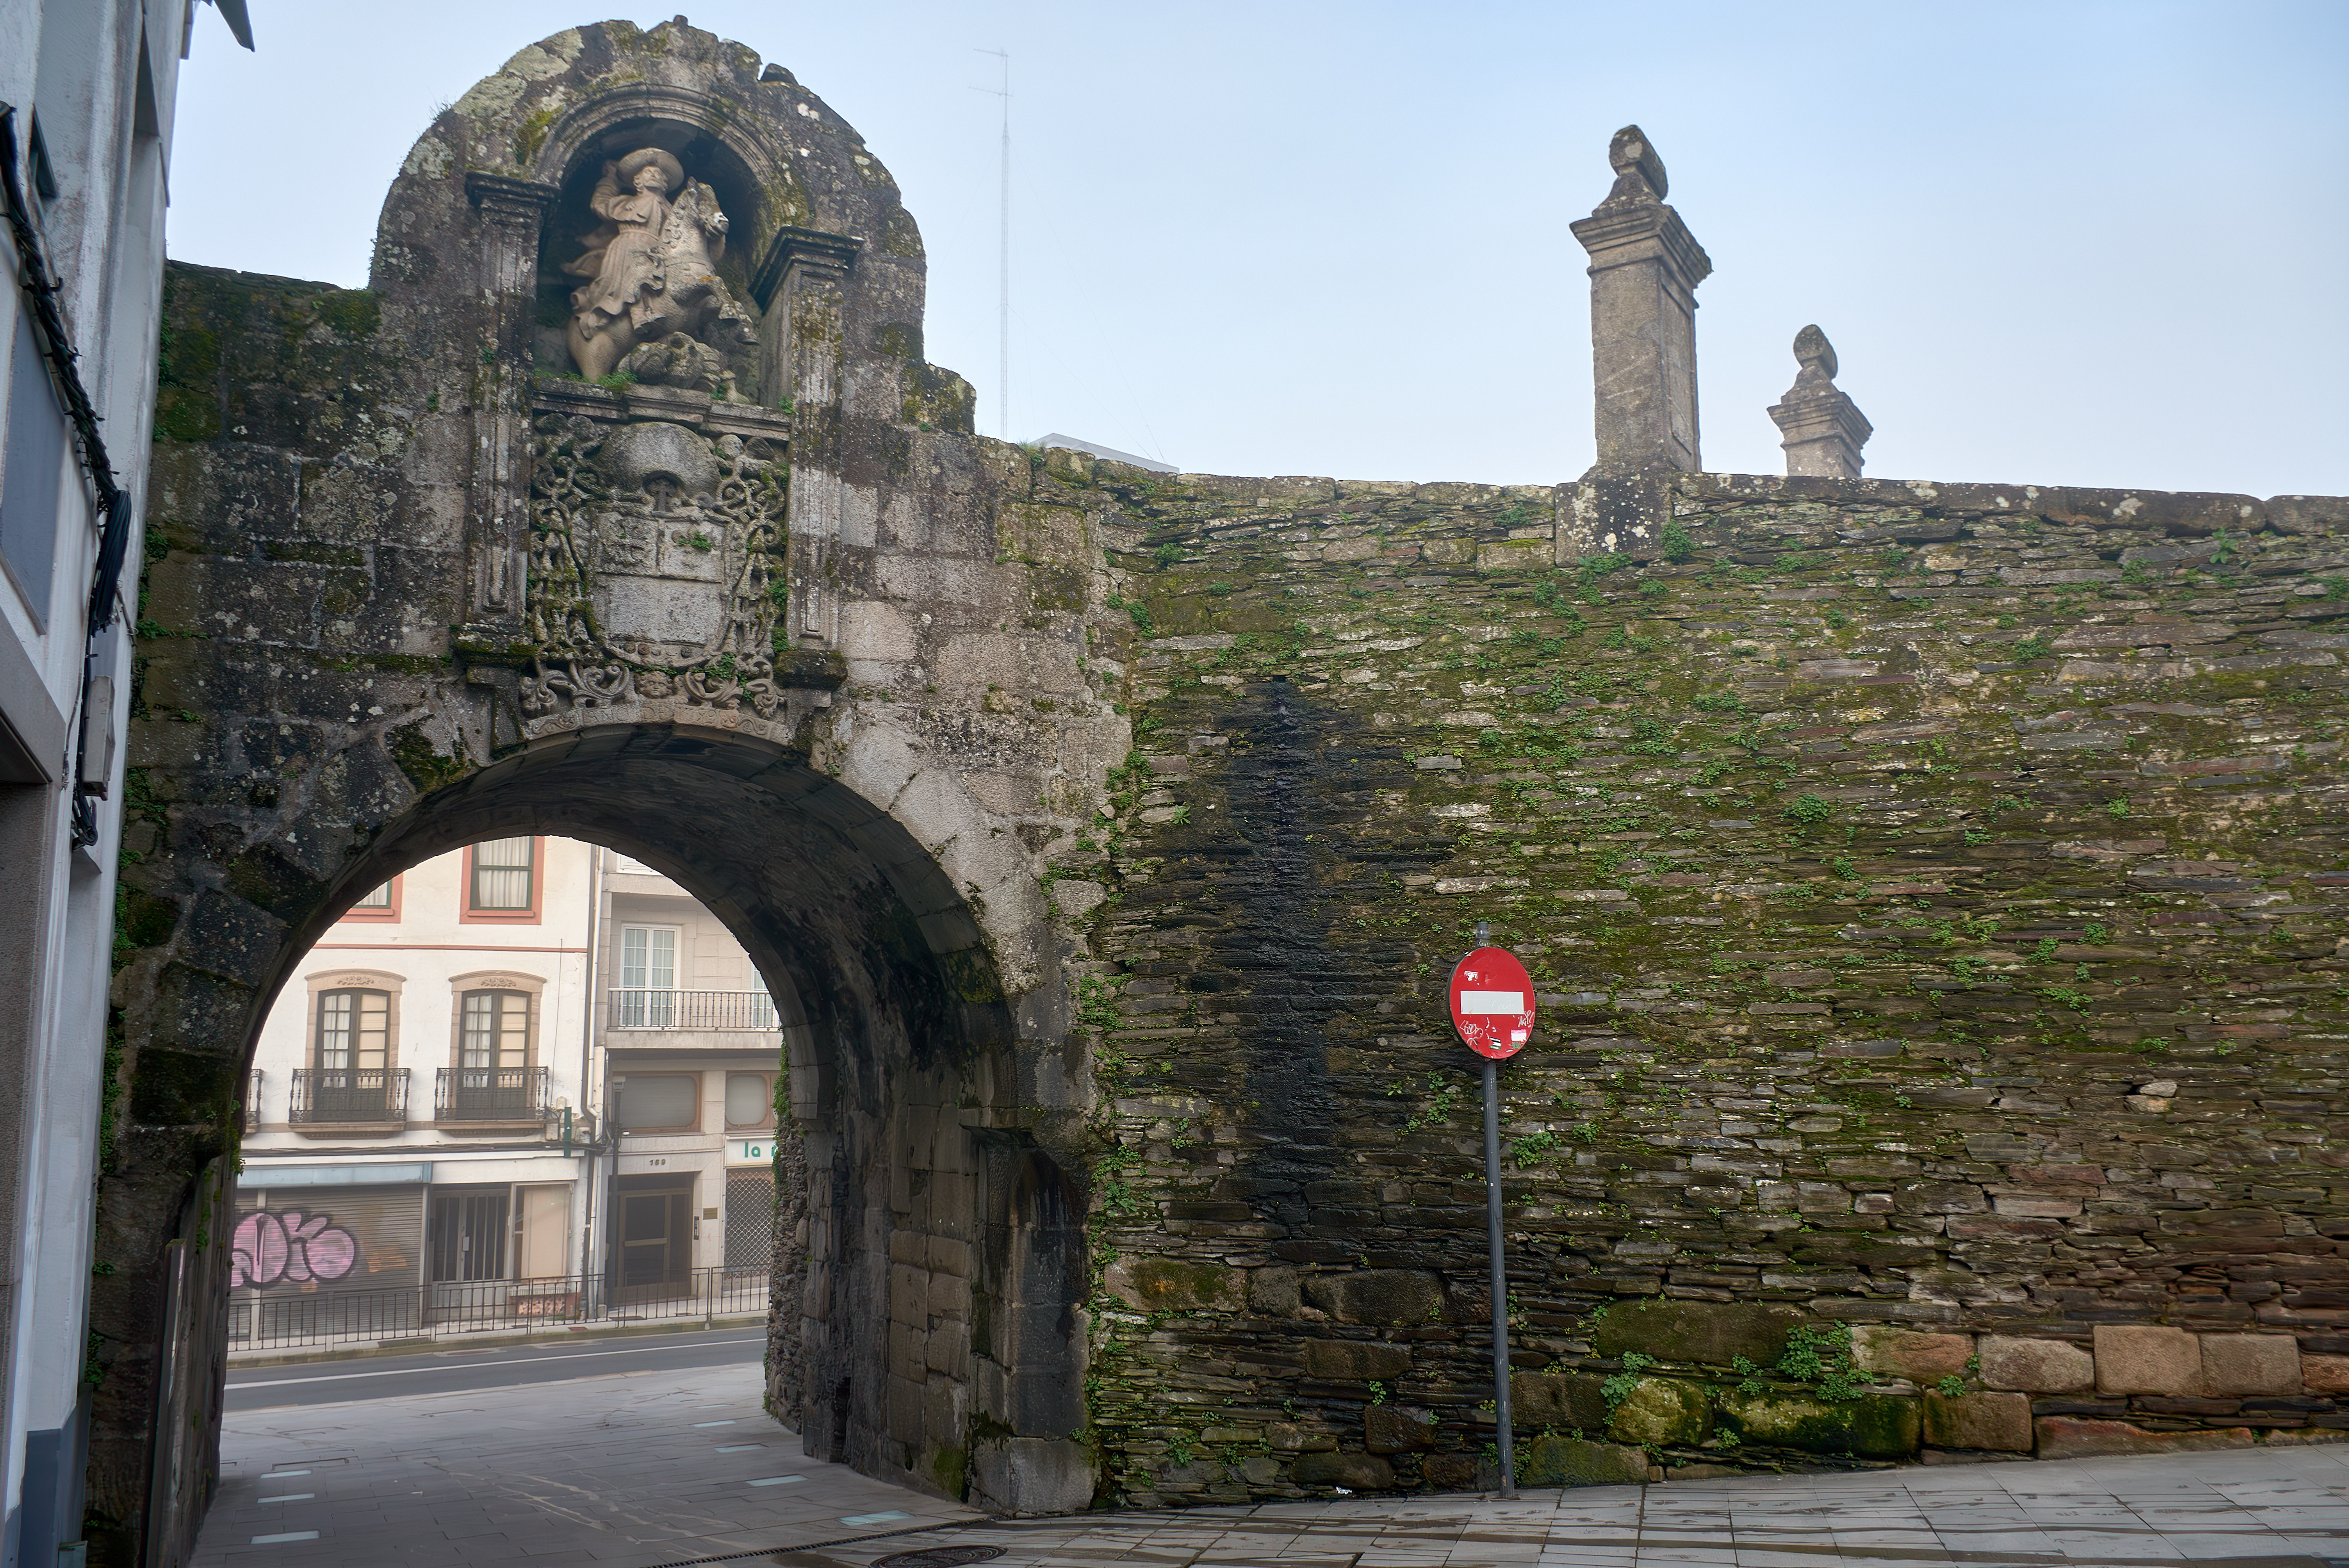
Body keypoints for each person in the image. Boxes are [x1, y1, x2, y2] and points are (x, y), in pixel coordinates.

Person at [565, 148, 686, 381]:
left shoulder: (672, 211)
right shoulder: (626, 203)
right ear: (637, 181)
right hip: (626, 249)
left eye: (659, 174)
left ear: (665, 183)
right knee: (632, 278)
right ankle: (634, 315)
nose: (654, 175)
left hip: (659, 253)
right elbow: (600, 205)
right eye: (648, 173)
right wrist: (610, 180)